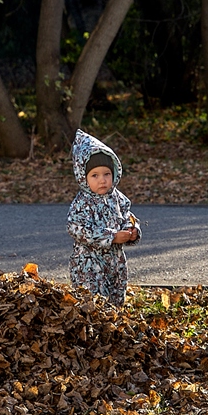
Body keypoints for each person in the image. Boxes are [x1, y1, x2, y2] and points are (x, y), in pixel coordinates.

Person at [67, 129, 141, 305]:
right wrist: (112, 236)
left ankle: (113, 326)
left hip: (115, 262)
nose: (102, 180)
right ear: (83, 177)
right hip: (88, 264)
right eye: (95, 175)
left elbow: (127, 215)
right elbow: (76, 228)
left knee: (115, 299)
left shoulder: (117, 197)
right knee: (95, 302)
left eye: (107, 174)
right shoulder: (82, 202)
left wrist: (132, 229)